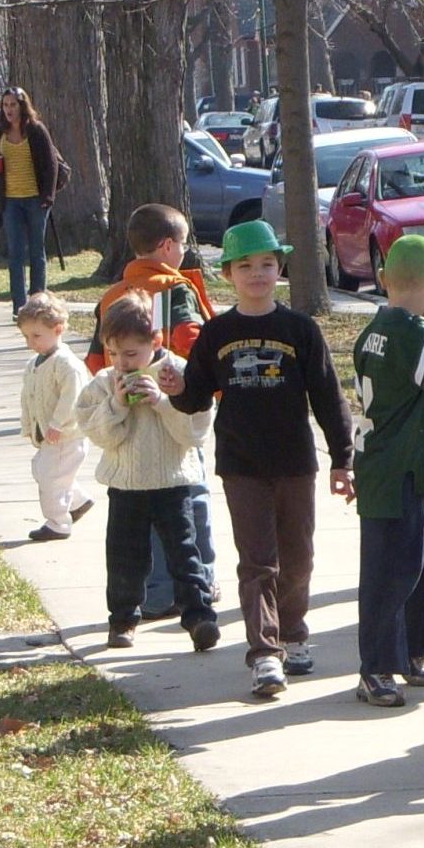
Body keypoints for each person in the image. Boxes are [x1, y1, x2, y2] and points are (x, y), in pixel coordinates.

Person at [164, 219, 352, 699]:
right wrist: (178, 389)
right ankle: (265, 653)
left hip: (295, 462)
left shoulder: (300, 329)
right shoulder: (218, 333)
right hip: (242, 464)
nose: (257, 273)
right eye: (245, 265)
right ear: (228, 274)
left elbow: (329, 397)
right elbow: (198, 397)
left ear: (280, 268)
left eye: (267, 264)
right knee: (257, 562)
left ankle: (294, 633)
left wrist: (341, 457)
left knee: (299, 558)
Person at [86, 203, 218, 621]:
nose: (183, 254)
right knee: (186, 505)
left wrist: (114, 385)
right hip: (170, 413)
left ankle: (151, 595)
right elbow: (190, 338)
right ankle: (192, 586)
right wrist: (195, 385)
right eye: (181, 245)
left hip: (126, 415)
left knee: (135, 524)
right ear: (166, 246)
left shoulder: (111, 296)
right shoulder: (174, 289)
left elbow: (95, 358)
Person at [78, 291, 219, 653]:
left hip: (172, 482)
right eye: (113, 353)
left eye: (130, 354)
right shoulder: (105, 382)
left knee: (184, 553)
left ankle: (199, 616)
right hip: (126, 485)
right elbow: (99, 433)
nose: (122, 363)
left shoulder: (178, 373)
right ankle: (123, 619)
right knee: (125, 556)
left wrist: (161, 402)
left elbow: (194, 432)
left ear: (155, 341)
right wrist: (117, 405)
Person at [352, 234, 424, 709]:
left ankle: (413, 651)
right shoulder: (415, 336)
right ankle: (375, 666)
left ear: (383, 279)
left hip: (395, 465)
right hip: (394, 468)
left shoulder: (376, 327)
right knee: (392, 570)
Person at [17, 292, 94, 542]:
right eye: (27, 336)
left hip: (67, 435)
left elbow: (72, 397)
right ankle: (78, 501)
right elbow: (29, 396)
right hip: (47, 433)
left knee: (51, 476)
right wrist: (30, 424)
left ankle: (58, 523)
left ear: (58, 329)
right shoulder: (35, 364)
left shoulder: (66, 364)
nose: (31, 342)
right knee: (43, 471)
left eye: (37, 336)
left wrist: (57, 424)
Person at [0, 87, 61, 311]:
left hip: (35, 199)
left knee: (36, 251)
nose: (9, 109)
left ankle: (37, 302)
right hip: (11, 200)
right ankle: (19, 306)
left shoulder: (36, 130)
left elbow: (51, 164)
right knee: (15, 253)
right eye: (5, 105)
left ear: (22, 106)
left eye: (13, 104)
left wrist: (48, 196)